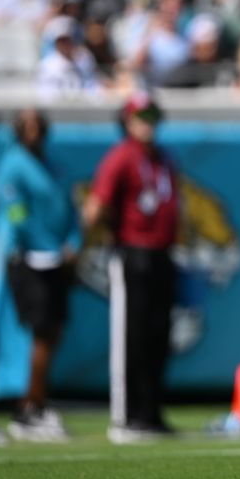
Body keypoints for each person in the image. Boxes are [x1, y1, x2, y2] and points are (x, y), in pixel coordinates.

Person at [0, 109, 82, 441]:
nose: (34, 132)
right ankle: (29, 410)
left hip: (56, 260)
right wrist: (44, 245)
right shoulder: (13, 164)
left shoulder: (53, 165)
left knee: (54, 333)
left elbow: (72, 210)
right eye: (29, 126)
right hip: (31, 260)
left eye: (39, 125)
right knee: (42, 333)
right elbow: (16, 212)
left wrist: (72, 243)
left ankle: (35, 404)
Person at [83, 93, 180, 443]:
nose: (148, 122)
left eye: (152, 115)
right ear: (126, 121)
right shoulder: (121, 157)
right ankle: (126, 417)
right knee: (133, 336)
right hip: (132, 253)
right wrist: (106, 238)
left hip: (162, 254)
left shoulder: (163, 158)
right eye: (140, 116)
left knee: (158, 337)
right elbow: (96, 205)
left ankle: (150, 413)